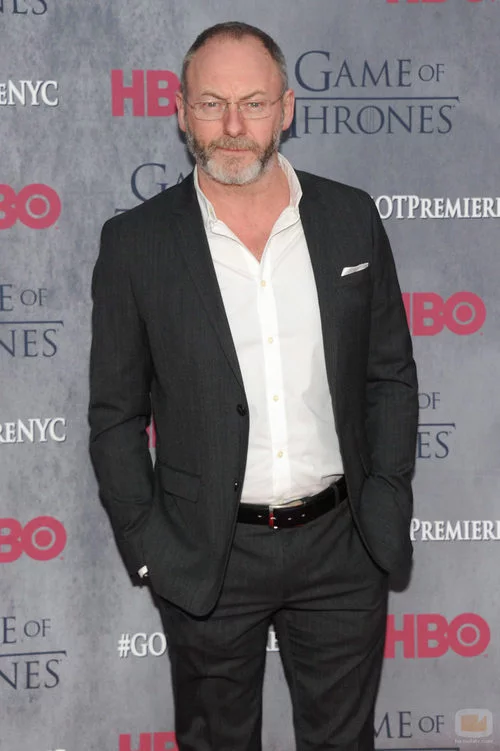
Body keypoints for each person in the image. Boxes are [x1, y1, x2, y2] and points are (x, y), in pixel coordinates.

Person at [89, 21, 418, 751]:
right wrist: (150, 546)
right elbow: (115, 416)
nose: (234, 127)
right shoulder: (136, 243)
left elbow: (389, 374)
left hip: (343, 546)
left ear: (286, 108)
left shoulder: (351, 217)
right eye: (212, 104)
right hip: (206, 554)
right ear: (182, 112)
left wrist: (387, 497)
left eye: (254, 103)